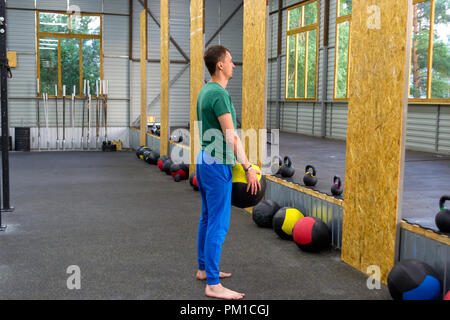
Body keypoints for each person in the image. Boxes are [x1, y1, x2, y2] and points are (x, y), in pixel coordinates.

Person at [195, 45, 261, 300]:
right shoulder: (219, 94)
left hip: (205, 159)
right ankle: (212, 284)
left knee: (207, 218)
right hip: (217, 163)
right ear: (220, 65)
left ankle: (204, 269)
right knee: (218, 225)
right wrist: (248, 167)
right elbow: (231, 135)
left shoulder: (205, 91)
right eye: (231, 61)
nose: (235, 65)